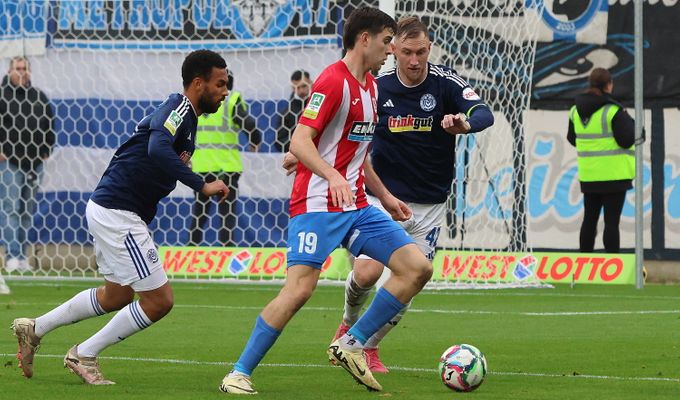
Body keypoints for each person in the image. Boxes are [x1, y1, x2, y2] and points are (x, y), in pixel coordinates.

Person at [218, 7, 432, 395]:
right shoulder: (332, 81)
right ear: (364, 39)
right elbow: (300, 139)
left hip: (358, 206)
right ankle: (238, 372)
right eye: (387, 42)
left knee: (416, 267)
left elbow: (356, 153)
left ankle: (352, 343)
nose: (391, 51)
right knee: (299, 290)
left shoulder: (370, 86)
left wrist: (385, 196)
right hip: (318, 205)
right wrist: (329, 172)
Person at [11, 49, 230, 384]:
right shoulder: (179, 108)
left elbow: (158, 155)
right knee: (159, 301)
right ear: (198, 83)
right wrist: (201, 184)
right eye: (220, 84)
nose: (225, 91)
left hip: (114, 209)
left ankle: (35, 328)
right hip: (118, 211)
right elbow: (156, 148)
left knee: (117, 296)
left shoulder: (188, 121)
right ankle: (84, 353)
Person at [330, 16, 495, 373]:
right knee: (368, 271)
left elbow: (483, 111)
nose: (415, 60)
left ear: (429, 48)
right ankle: (347, 320)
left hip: (430, 205)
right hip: (380, 199)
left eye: (421, 52)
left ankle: (368, 346)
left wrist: (465, 123)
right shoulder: (378, 86)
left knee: (414, 277)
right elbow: (342, 125)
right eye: (406, 52)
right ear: (393, 50)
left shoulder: (445, 83)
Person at [189, 70, 261, 247]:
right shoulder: (231, 99)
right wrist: (255, 140)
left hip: (201, 166)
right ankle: (226, 250)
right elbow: (248, 123)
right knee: (227, 211)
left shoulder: (198, 100)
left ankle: (191, 250)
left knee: (200, 211)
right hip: (227, 167)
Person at [567, 67, 635, 253]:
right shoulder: (613, 111)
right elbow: (627, 139)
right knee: (611, 223)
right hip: (614, 175)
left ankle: (584, 266)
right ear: (609, 85)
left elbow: (572, 139)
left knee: (589, 220)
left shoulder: (575, 110)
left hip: (589, 176)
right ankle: (612, 267)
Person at [0, 56, 55, 274]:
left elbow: (50, 125)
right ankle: (13, 256)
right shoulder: (2, 95)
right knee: (11, 209)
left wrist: (46, 152)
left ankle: (22, 257)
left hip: (34, 164)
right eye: (17, 68)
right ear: (9, 71)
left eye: (25, 68)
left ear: (30, 71)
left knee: (26, 211)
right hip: (10, 164)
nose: (21, 72)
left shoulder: (38, 97)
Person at [274, 69, 313, 152]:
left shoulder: (321, 103)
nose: (301, 91)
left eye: (304, 86)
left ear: (310, 83)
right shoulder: (286, 113)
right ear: (292, 88)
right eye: (297, 87)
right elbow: (280, 142)